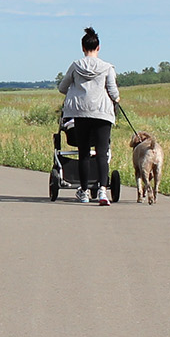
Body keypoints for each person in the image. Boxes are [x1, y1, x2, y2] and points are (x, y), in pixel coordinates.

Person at [57, 25, 119, 205]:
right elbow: (113, 91)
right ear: (98, 47)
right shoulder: (107, 67)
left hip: (80, 112)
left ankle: (83, 191)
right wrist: (116, 98)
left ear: (83, 48)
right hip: (102, 113)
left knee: (84, 152)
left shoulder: (76, 66)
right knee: (102, 152)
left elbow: (62, 87)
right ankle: (102, 191)